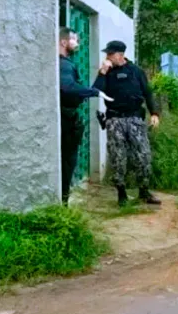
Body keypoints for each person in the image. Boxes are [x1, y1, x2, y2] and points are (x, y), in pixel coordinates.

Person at [92, 40, 161, 207]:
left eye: (110, 54)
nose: (107, 57)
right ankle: (121, 194)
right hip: (115, 120)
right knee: (117, 157)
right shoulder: (106, 73)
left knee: (143, 155)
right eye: (107, 54)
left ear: (120, 55)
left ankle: (144, 191)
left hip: (135, 119)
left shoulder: (136, 71)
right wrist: (102, 72)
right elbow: (96, 91)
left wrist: (154, 113)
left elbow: (148, 93)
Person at [58, 28, 113, 206]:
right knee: (66, 163)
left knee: (67, 163)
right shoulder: (64, 64)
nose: (78, 43)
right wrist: (94, 92)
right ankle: (62, 203)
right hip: (65, 120)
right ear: (64, 42)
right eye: (74, 40)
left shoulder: (64, 63)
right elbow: (68, 89)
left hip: (66, 119)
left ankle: (62, 201)